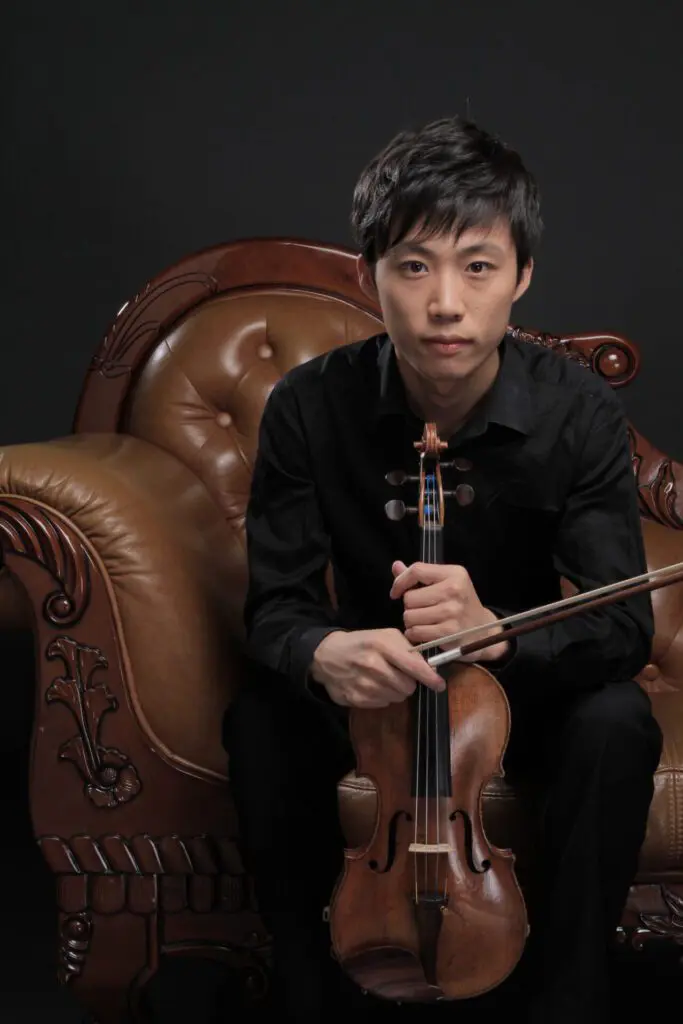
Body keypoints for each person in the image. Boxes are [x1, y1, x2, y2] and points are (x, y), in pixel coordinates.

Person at [223, 115, 663, 1022]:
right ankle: (309, 990)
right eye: (413, 266)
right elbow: (274, 607)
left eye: (477, 266)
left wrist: (499, 634)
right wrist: (318, 652)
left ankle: (568, 997)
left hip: (519, 684)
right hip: (374, 693)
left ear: (521, 278)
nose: (445, 304)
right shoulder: (309, 404)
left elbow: (621, 629)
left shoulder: (573, 409)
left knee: (617, 722)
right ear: (367, 276)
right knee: (260, 718)